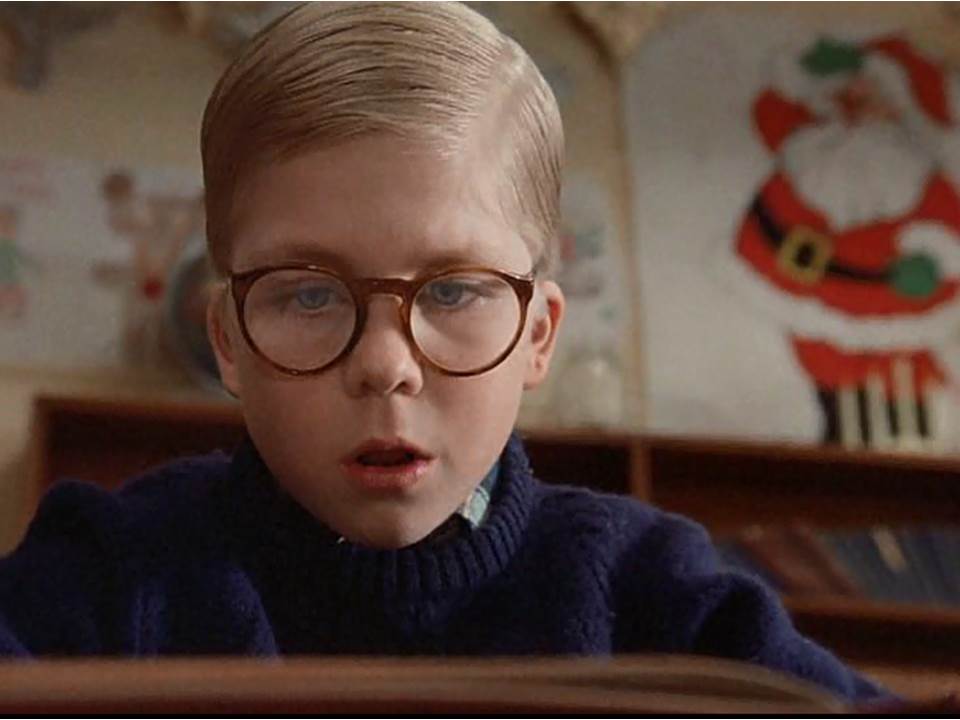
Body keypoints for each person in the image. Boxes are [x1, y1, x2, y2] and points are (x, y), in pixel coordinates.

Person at [0, 1, 888, 704]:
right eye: (309, 294)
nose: (386, 365)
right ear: (227, 340)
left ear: (537, 335)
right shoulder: (108, 572)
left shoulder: (659, 595)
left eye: (454, 291)